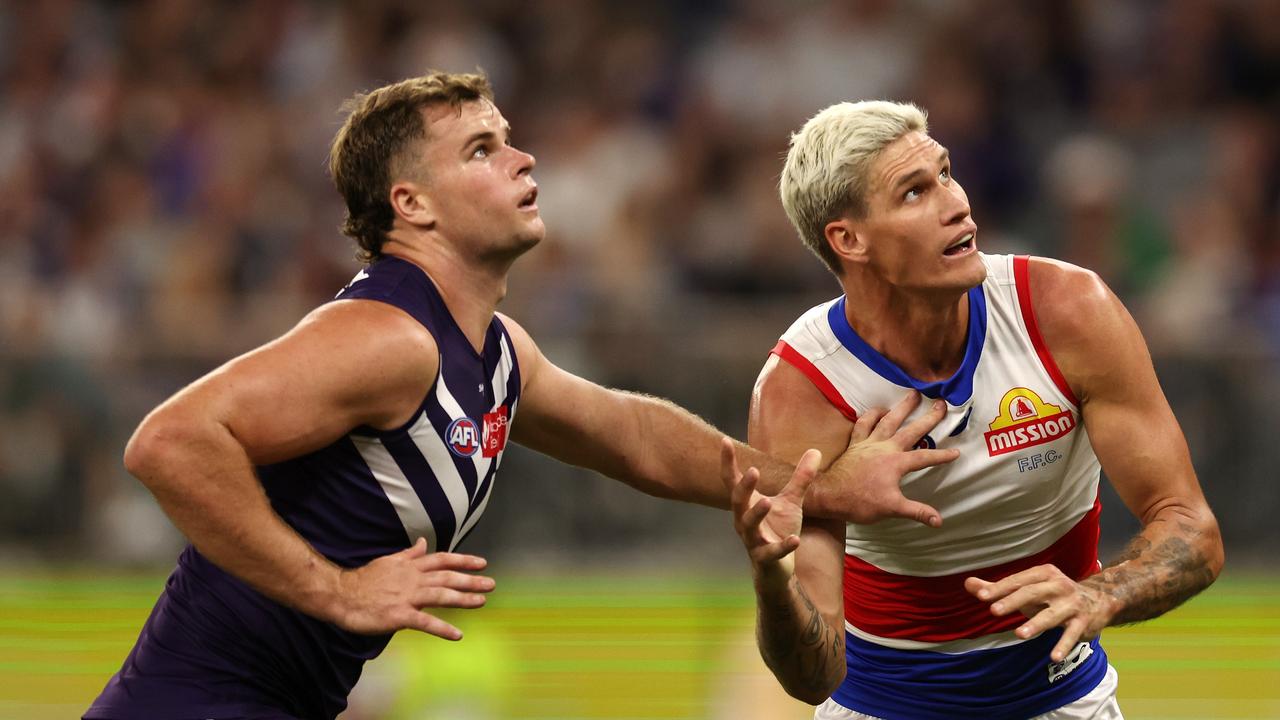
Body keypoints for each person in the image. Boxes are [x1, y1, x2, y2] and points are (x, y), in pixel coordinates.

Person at [83, 72, 955, 720]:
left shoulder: (495, 349)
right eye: (482, 150)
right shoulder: (389, 337)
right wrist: (340, 592)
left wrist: (818, 486)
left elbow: (633, 437)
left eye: (507, 138)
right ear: (411, 205)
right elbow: (167, 443)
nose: (522, 157)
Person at [722, 100, 1224, 719]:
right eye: (913, 193)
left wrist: (1101, 593)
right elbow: (813, 676)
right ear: (849, 239)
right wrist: (772, 581)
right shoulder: (804, 388)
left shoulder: (1066, 312)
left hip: (1063, 702)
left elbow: (1193, 531)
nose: (956, 202)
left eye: (945, 173)